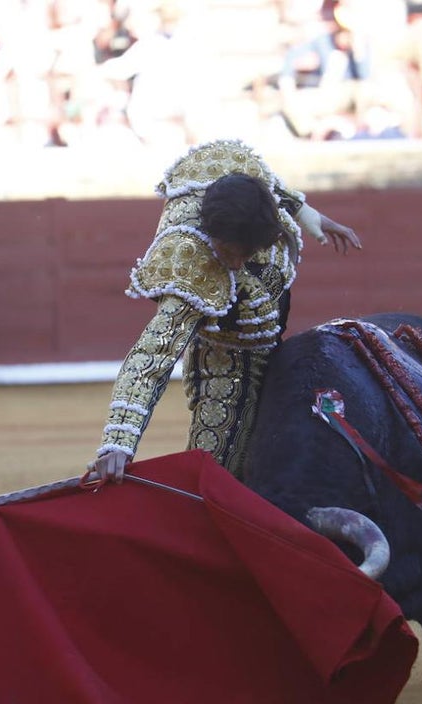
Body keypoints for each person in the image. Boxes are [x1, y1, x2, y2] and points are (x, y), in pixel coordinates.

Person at [92, 139, 363, 483]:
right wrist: (118, 442)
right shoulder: (191, 266)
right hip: (228, 359)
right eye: (229, 251)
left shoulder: (230, 170)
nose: (236, 263)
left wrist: (312, 216)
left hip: (269, 333)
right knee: (217, 474)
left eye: (247, 253)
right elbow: (151, 358)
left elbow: (270, 187)